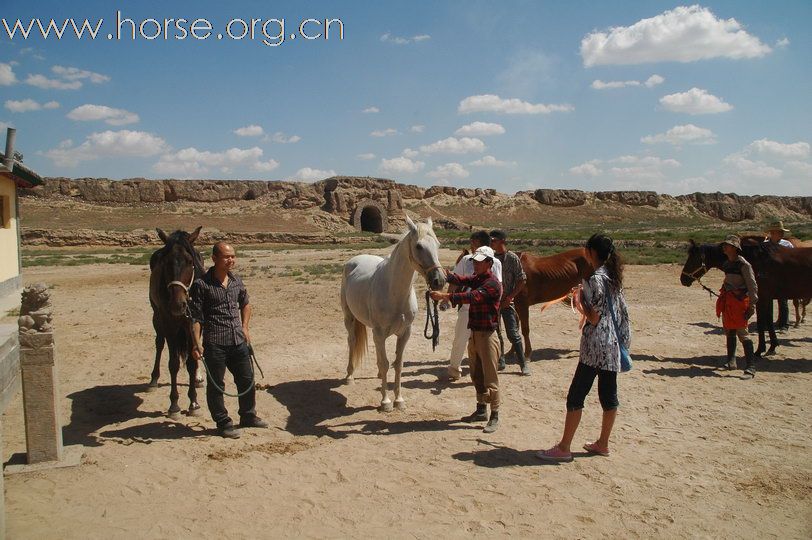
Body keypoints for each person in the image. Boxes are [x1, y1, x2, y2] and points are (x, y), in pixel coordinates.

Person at [537, 234, 630, 462]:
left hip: (594, 348)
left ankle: (565, 447)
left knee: (576, 396)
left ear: (589, 252)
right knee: (609, 396)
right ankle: (603, 443)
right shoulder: (612, 277)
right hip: (613, 346)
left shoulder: (594, 280)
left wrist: (578, 302)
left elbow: (594, 317)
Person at [190, 242, 267, 439]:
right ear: (214, 258)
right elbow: (196, 318)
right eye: (226, 257)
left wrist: (245, 327)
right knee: (217, 385)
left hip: (238, 341)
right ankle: (223, 422)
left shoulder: (236, 281)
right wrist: (196, 343)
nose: (231, 260)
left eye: (233, 256)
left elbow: (246, 304)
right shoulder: (201, 285)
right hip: (215, 342)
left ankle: (248, 416)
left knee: (247, 380)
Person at [430, 246, 503, 433]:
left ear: (489, 263)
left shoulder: (492, 284)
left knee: (490, 377)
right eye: (475, 261)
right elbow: (461, 279)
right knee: (477, 374)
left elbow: (472, 296)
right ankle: (481, 409)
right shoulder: (479, 279)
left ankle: (494, 414)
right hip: (475, 333)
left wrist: (446, 295)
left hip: (487, 335)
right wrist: (444, 273)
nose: (476, 265)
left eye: (479, 262)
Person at [443, 231, 503, 380]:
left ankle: (487, 373)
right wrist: (444, 276)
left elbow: (476, 293)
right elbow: (459, 280)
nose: (470, 245)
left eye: (473, 242)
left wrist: (447, 297)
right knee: (461, 339)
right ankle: (455, 368)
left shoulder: (495, 266)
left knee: (485, 344)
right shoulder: (467, 260)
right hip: (468, 309)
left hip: (484, 311)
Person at [716, 235, 758, 377]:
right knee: (730, 331)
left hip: (740, 303)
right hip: (729, 302)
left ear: (734, 248)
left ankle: (751, 366)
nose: (724, 247)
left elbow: (752, 286)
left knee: (743, 333)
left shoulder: (744, 265)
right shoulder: (727, 264)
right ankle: (731, 361)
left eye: (727, 245)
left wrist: (752, 305)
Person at [490, 229, 530, 376]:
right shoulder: (490, 258)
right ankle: (501, 359)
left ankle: (523, 363)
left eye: (493, 240)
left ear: (502, 241)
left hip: (507, 302)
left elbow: (522, 279)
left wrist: (510, 297)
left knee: (512, 333)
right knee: (495, 331)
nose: (491, 243)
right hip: (493, 302)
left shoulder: (512, 258)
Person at [764, 221, 793, 332]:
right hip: (769, 276)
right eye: (778, 232)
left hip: (783, 276)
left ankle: (784, 324)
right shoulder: (765, 244)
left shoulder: (787, 245)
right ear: (772, 233)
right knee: (768, 301)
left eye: (781, 232)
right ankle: (768, 323)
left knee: (783, 300)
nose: (781, 234)